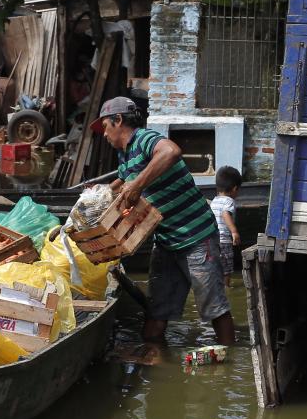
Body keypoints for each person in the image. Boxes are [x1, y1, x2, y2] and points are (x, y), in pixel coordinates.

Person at [89, 96, 235, 345]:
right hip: (166, 240)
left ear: (118, 120)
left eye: (105, 127)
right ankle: (154, 359)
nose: (104, 135)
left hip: (196, 236)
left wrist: (137, 185)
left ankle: (228, 359)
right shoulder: (125, 157)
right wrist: (98, 196)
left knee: (214, 309)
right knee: (156, 312)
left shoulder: (143, 139)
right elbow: (123, 183)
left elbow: (171, 151)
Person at [209, 166, 242, 288]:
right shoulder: (229, 201)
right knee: (226, 268)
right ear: (234, 189)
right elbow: (225, 214)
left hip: (212, 240)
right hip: (224, 241)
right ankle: (226, 287)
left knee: (215, 266)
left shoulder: (214, 200)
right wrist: (234, 231)